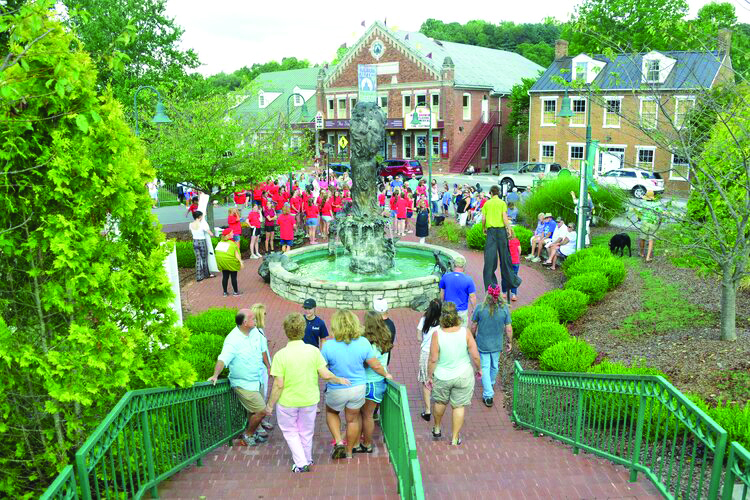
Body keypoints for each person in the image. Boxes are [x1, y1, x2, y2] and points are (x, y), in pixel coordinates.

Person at [265, 313, 350, 473]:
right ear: (303, 330)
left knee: (290, 432)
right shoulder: (313, 351)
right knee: (306, 431)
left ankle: (301, 463)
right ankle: (307, 459)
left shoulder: (280, 355)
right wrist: (339, 380)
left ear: (286, 331)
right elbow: (325, 374)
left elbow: (278, 384)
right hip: (309, 399)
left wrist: (270, 405)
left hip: (287, 402)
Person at [321, 310, 392, 459]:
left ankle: (339, 442)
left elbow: (322, 369)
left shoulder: (328, 346)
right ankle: (349, 452)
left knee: (331, 412)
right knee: (352, 419)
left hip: (337, 388)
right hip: (358, 388)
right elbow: (374, 364)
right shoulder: (363, 342)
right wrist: (386, 374)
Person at [208, 309, 268, 446]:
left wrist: (268, 367)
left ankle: (253, 433)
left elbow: (262, 350)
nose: (256, 320)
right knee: (261, 411)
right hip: (243, 384)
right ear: (245, 323)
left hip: (257, 379)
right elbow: (222, 359)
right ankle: (248, 435)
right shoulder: (232, 340)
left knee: (252, 411)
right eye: (253, 318)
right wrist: (216, 374)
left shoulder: (255, 333)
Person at [427, 302, 482, 445]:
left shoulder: (437, 334)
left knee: (440, 402)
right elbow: (475, 355)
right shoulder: (465, 332)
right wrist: (479, 368)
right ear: (456, 315)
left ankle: (437, 428)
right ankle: (455, 438)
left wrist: (429, 376)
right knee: (458, 406)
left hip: (442, 375)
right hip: (463, 374)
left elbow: (433, 359)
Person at [352, 311, 394, 454]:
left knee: (358, 415)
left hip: (366, 382)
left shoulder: (366, 343)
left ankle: (357, 443)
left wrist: (385, 373)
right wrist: (385, 374)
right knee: (368, 415)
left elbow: (372, 364)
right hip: (378, 383)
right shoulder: (385, 337)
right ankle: (367, 444)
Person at [471, 285, 513, 407]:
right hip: (497, 344)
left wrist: (472, 337)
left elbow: (473, 326)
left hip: (483, 344)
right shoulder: (504, 309)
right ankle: (491, 383)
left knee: (484, 367)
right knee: (494, 366)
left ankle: (488, 395)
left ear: (487, 294)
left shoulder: (480, 308)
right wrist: (509, 342)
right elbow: (509, 329)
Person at [481, 185, 522, 292]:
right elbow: (504, 218)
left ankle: (491, 287)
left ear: (490, 193)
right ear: (498, 193)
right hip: (501, 231)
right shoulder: (502, 203)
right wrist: (509, 229)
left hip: (491, 232)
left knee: (489, 259)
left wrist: (483, 228)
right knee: (505, 258)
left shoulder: (487, 203)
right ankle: (512, 281)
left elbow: (483, 218)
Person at [250, 303, 274, 435]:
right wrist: (269, 367)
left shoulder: (259, 330)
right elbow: (262, 352)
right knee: (259, 397)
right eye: (264, 314)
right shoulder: (255, 332)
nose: (266, 316)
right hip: (259, 370)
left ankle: (262, 420)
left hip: (262, 369)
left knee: (263, 395)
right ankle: (257, 426)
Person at [417, 298, 441, 421]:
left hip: (425, 353)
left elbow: (418, 337)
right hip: (438, 354)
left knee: (426, 382)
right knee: (436, 379)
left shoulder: (424, 320)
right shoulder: (442, 323)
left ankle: (427, 411)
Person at [215, 228, 243, 296]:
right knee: (233, 277)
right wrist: (240, 262)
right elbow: (237, 255)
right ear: (228, 235)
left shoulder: (220, 243)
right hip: (231, 262)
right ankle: (235, 292)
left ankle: (225, 292)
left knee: (225, 276)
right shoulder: (232, 244)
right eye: (232, 233)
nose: (233, 234)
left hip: (222, 262)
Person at [189, 210, 215, 282]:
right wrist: (213, 234)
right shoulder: (202, 224)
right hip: (202, 241)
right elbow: (210, 233)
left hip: (195, 241)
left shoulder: (190, 224)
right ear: (200, 217)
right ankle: (206, 274)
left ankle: (198, 276)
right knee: (204, 259)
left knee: (198, 259)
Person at [638, 190, 661, 262]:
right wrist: (660, 221)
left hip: (645, 222)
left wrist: (639, 218)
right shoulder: (657, 204)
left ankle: (641, 253)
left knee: (642, 238)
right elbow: (660, 213)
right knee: (651, 239)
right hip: (653, 222)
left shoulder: (643, 204)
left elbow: (639, 212)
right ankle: (648, 257)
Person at [503, 227, 521, 301]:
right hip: (515, 262)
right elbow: (519, 250)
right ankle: (514, 295)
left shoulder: (505, 241)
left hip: (507, 262)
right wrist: (517, 257)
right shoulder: (516, 241)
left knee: (505, 277)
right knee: (514, 277)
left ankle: (504, 293)